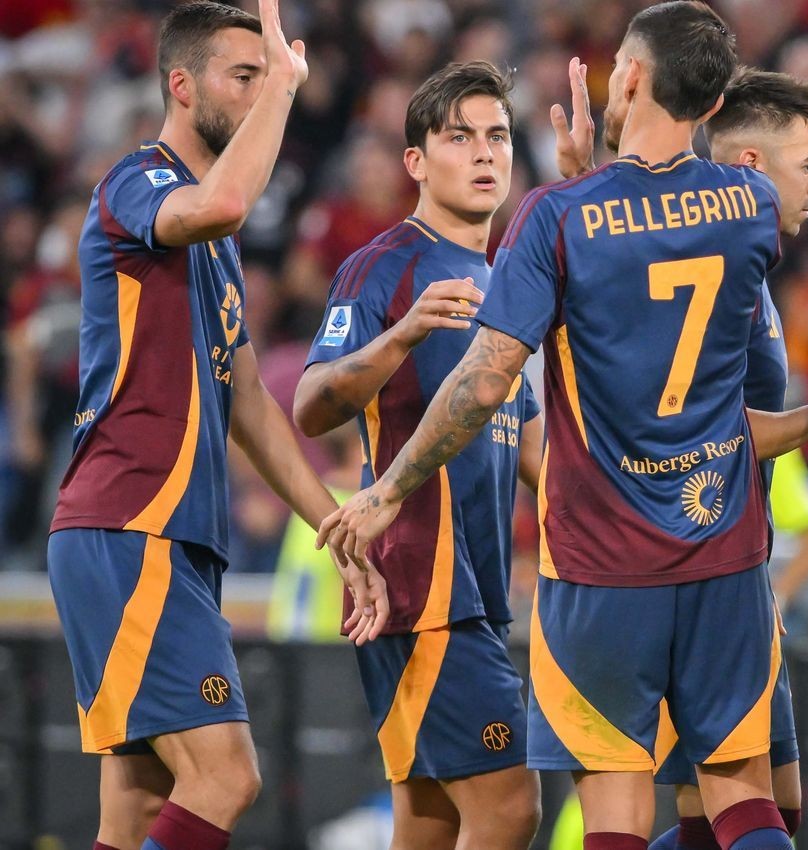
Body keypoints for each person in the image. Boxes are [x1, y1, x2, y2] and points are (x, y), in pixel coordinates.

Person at [319, 4, 808, 849]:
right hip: (722, 558)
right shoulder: (751, 206)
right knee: (749, 804)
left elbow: (487, 381)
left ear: (630, 76)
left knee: (614, 820)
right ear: (714, 106)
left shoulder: (555, 216)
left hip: (601, 568)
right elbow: (681, 273)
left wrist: (389, 489)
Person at [44, 3, 388, 849]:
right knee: (227, 777)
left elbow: (250, 403)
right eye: (243, 76)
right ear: (181, 84)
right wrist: (288, 85)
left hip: (171, 536)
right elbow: (228, 200)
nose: (260, 89)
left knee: (137, 808)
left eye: (263, 76)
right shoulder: (138, 183)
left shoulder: (215, 245)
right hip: (131, 522)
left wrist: (335, 529)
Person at [293, 61, 544, 850]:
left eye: (497, 136)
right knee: (509, 806)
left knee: (430, 822)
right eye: (459, 137)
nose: (484, 152)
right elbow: (311, 406)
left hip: (476, 588)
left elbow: (534, 450)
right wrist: (400, 335)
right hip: (420, 580)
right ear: (416, 161)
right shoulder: (386, 264)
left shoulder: (507, 283)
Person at [642, 66, 808, 850]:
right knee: (743, 809)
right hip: (693, 569)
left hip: (733, 567)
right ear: (752, 167)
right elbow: (702, 432)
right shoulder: (712, 267)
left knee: (762, 812)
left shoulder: (748, 267)